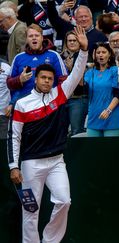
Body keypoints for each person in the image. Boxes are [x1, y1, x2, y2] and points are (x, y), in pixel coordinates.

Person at [8, 26, 88, 243]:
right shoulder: (22, 104)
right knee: (31, 212)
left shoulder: (60, 94)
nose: (46, 81)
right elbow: (13, 137)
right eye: (43, 78)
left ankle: (50, 241)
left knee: (64, 201)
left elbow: (77, 72)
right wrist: (13, 166)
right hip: (31, 164)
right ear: (36, 79)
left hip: (56, 161)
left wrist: (83, 51)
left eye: (50, 79)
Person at [7, 24, 68, 108]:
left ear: (42, 38)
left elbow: (64, 80)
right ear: (26, 39)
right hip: (25, 105)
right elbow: (9, 84)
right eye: (31, 36)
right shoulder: (18, 58)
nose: (34, 38)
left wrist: (57, 100)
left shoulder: (53, 55)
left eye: (37, 35)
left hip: (48, 104)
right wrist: (20, 79)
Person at [84, 42, 119, 137]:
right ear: (94, 55)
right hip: (94, 117)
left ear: (109, 54)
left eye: (104, 52)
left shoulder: (117, 70)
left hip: (112, 116)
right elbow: (82, 91)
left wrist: (108, 110)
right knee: (93, 150)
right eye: (98, 52)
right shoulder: (89, 73)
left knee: (110, 151)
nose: (100, 55)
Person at [61, 30, 88, 136]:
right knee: (61, 131)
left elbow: (82, 83)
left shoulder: (85, 55)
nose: (72, 43)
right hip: (63, 98)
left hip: (79, 98)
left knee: (76, 131)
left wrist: (71, 68)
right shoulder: (61, 56)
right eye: (69, 41)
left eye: (74, 40)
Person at [0, 59, 11, 139]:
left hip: (3, 114)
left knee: (4, 143)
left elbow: (15, 87)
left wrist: (12, 104)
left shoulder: (6, 68)